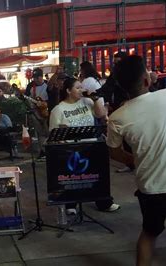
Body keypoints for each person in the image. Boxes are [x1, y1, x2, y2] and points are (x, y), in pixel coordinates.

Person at [108, 55, 166, 266]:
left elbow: (114, 152)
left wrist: (133, 160)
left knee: (148, 233)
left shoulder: (118, 117)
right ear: (147, 79)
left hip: (149, 188)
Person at [49, 77, 120, 214]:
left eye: (82, 87)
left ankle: (104, 202)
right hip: (71, 149)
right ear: (69, 91)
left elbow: (101, 114)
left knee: (98, 175)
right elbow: (53, 133)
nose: (81, 90)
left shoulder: (87, 102)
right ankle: (71, 204)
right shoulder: (58, 109)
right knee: (74, 178)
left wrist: (95, 99)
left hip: (91, 145)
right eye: (78, 88)